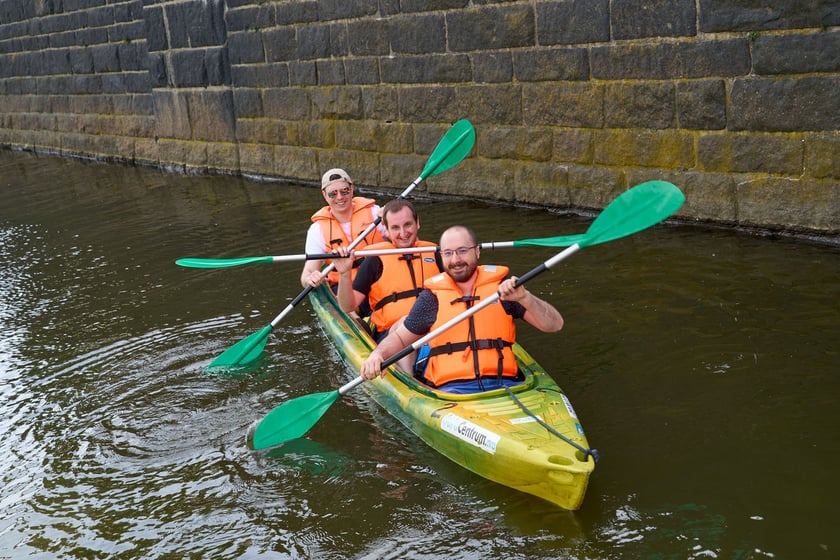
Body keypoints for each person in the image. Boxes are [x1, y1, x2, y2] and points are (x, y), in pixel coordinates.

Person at [360, 225, 564, 394]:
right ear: (442, 257)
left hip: (507, 386)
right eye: (448, 253)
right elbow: (401, 339)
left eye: (462, 251)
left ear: (477, 251)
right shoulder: (432, 298)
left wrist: (525, 298)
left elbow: (554, 325)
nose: (456, 259)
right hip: (452, 391)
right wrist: (377, 355)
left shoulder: (503, 290)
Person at [333, 199, 443, 341]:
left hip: (435, 328)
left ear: (417, 223)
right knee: (407, 322)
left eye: (408, 224)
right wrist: (344, 273)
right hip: (391, 334)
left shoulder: (435, 253)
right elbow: (348, 306)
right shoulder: (375, 260)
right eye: (396, 227)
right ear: (387, 229)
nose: (403, 233)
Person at [300, 168, 386, 289]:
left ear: (351, 189)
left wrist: (395, 217)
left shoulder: (376, 214)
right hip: (344, 287)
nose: (340, 197)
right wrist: (309, 279)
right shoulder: (317, 230)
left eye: (344, 191)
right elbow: (308, 272)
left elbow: (404, 241)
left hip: (380, 278)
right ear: (324, 195)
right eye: (332, 193)